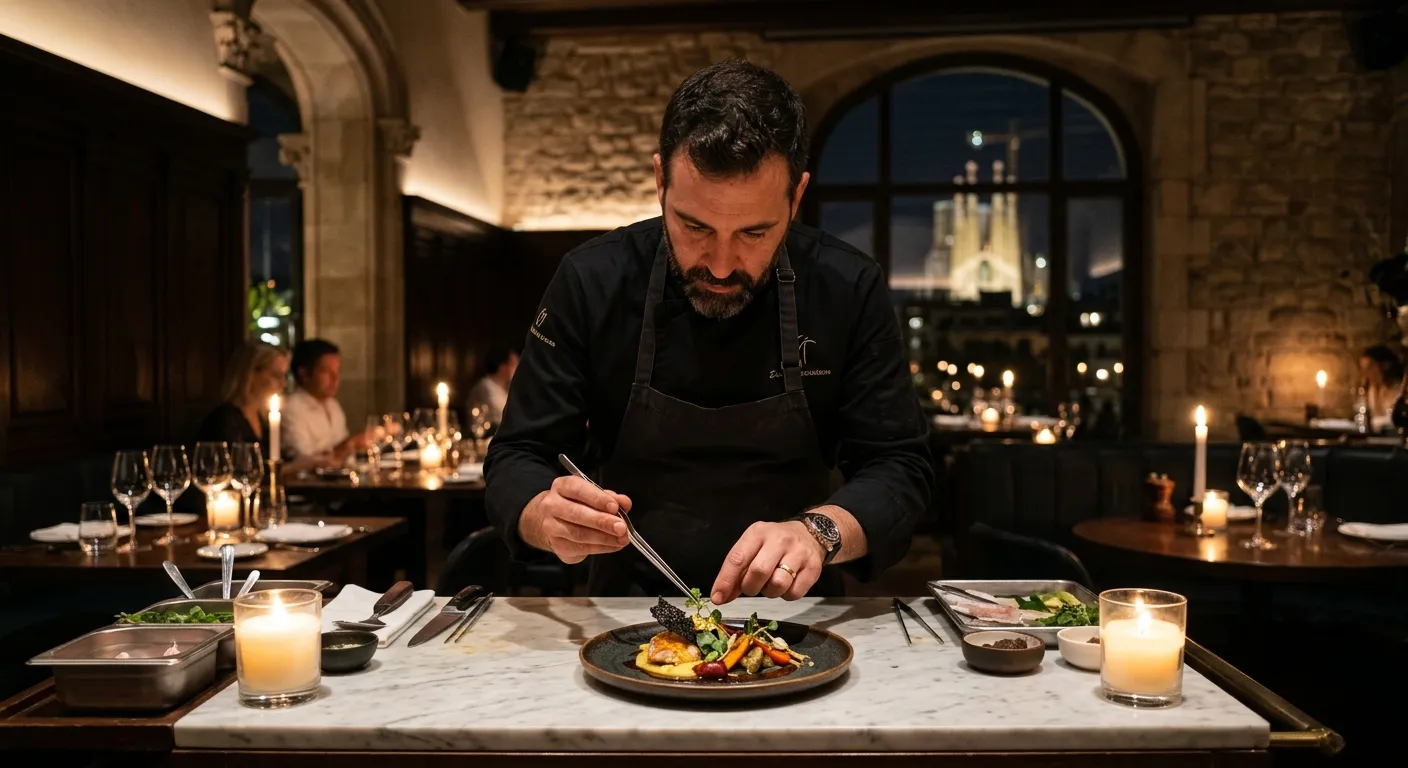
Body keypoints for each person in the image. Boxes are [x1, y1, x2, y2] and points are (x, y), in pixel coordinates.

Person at [484, 60, 933, 603]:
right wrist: (545, 515)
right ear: (659, 181)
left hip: (799, 615)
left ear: (796, 199)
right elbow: (518, 456)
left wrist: (819, 532)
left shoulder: (848, 287)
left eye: (754, 232)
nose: (721, 265)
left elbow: (900, 467)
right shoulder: (592, 281)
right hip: (625, 612)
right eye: (694, 226)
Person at [281, 339, 367, 464]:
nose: (335, 378)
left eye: (337, 371)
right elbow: (303, 459)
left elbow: (348, 458)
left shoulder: (333, 406)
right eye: (326, 371)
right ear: (303, 373)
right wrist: (350, 443)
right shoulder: (291, 409)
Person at [196, 341, 289, 455]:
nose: (283, 384)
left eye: (285, 376)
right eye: (276, 375)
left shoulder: (264, 418)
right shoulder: (224, 420)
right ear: (250, 374)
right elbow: (239, 467)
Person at [466, 345, 519, 429]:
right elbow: (498, 418)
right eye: (514, 364)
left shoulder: (508, 388)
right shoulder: (484, 388)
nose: (517, 369)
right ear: (502, 366)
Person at [1359, 345, 1405, 431]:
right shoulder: (1372, 390)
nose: (1366, 374)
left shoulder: (1401, 391)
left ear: (1386, 365)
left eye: (1370, 367)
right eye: (1363, 369)